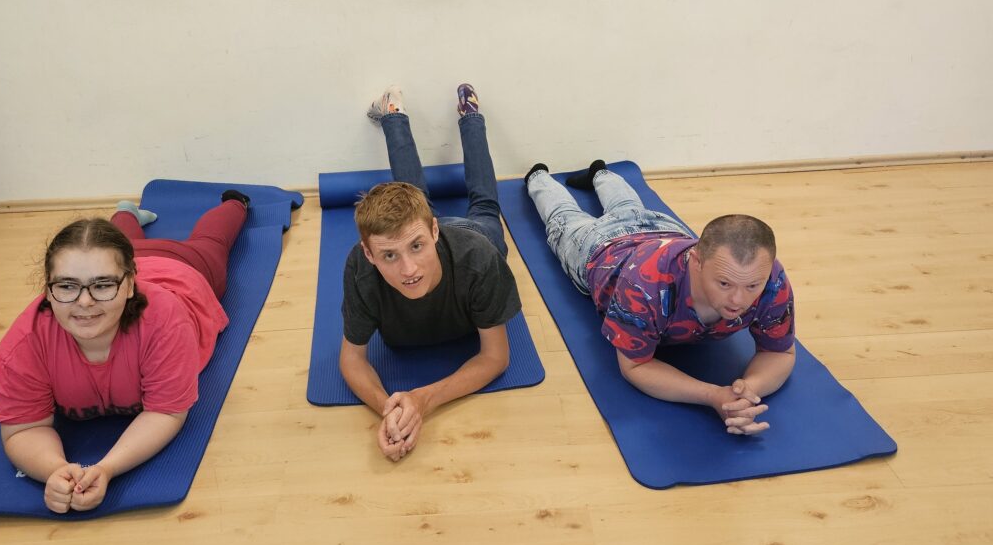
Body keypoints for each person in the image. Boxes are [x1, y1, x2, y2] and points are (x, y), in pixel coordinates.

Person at [0, 190, 251, 513]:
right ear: (47, 289)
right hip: (124, 261)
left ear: (130, 285)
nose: (84, 301)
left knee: (211, 241)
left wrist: (107, 468)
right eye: (67, 286)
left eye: (102, 285)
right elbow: (24, 429)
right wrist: (55, 470)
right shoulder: (24, 344)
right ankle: (127, 213)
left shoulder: (166, 322)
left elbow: (166, 412)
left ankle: (236, 203)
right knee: (123, 246)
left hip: (183, 268)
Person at [525, 159, 795, 436]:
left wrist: (747, 391)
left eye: (752, 286)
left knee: (628, 207)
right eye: (724, 283)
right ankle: (538, 176)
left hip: (662, 228)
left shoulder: (769, 278)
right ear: (696, 262)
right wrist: (713, 395)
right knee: (565, 216)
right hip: (600, 245)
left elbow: (780, 352)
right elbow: (635, 366)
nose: (738, 300)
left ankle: (600, 172)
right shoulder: (644, 287)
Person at [340, 84, 521, 461]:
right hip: (431, 235)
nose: (408, 270)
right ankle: (393, 114)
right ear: (368, 254)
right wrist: (390, 411)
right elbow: (352, 360)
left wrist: (422, 400)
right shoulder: (360, 269)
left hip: (475, 235)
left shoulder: (479, 259)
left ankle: (471, 116)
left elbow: (496, 358)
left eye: (416, 247)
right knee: (413, 196)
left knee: (485, 206)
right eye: (389, 255)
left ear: (434, 231)